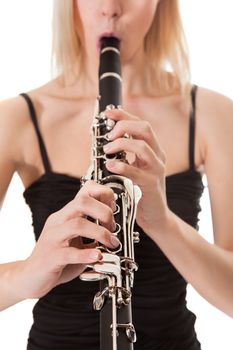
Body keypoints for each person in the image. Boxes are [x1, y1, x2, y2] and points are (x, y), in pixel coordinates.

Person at [0, 0, 233, 349]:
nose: (110, 8)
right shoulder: (16, 118)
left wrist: (161, 221)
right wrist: (28, 274)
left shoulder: (213, 114)